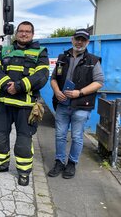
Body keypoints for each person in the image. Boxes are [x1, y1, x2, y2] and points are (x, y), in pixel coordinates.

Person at [0, 21, 49, 186]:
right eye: (21, 31)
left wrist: (19, 86)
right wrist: (9, 85)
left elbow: (42, 76)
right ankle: (1, 164)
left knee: (23, 141)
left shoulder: (40, 53)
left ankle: (23, 172)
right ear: (16, 33)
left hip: (26, 106)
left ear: (32, 34)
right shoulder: (6, 51)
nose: (23, 34)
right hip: (4, 103)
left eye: (27, 31)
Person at [48, 28, 104, 179]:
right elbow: (53, 78)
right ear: (72, 39)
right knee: (60, 135)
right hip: (62, 104)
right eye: (77, 39)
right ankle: (59, 162)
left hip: (81, 105)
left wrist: (79, 92)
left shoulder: (93, 60)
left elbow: (99, 82)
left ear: (88, 42)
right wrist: (57, 91)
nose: (79, 42)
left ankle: (72, 164)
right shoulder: (62, 58)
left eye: (83, 40)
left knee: (77, 136)